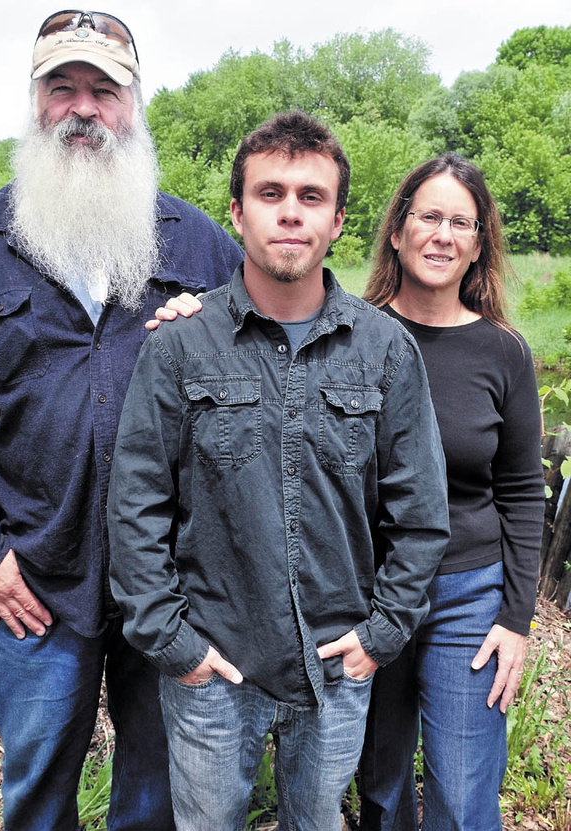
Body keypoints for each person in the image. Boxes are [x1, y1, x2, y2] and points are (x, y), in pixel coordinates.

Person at [0, 10, 242, 831]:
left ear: (134, 103)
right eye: (61, 86)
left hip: (171, 587)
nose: (82, 108)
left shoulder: (202, 247)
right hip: (34, 581)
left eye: (103, 89)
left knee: (156, 797)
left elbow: (256, 404)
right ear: (34, 99)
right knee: (36, 795)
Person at [107, 110, 451, 831]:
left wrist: (382, 634)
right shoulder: (179, 346)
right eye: (270, 194)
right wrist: (172, 640)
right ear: (237, 213)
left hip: (337, 663)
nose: (290, 212)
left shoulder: (386, 350)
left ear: (338, 220)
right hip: (211, 663)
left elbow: (420, 514)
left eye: (311, 196)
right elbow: (136, 505)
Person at [356, 154, 545, 831]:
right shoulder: (352, 335)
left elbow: (522, 491)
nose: (442, 234)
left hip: (469, 594)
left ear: (479, 244)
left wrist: (515, 619)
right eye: (429, 216)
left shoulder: (503, 352)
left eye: (460, 222)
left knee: (463, 800)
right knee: (380, 786)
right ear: (398, 231)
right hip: (369, 592)